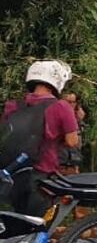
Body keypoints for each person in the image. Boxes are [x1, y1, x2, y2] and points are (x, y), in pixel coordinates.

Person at [1, 60, 79, 216]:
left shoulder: (13, 105)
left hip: (11, 175)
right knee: (35, 227)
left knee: (12, 224)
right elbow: (72, 141)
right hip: (41, 176)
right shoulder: (61, 106)